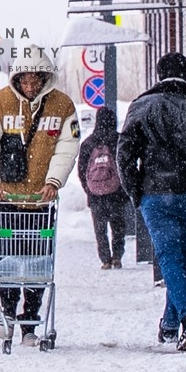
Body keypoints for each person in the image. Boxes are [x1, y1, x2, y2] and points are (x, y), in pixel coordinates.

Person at [118, 50, 186, 350]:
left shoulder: (142, 106)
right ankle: (169, 325)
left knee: (168, 257)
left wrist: (135, 191)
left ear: (158, 73)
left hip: (154, 193)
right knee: (180, 257)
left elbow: (124, 153)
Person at [0, 42, 78, 340]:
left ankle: (30, 319)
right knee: (9, 258)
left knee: (37, 262)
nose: (30, 86)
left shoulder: (62, 106)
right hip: (7, 197)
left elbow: (67, 148)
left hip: (41, 201)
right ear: (16, 79)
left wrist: (53, 182)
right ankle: (7, 312)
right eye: (25, 80)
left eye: (36, 80)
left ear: (45, 79)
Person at [75, 106, 131, 269]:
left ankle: (105, 259)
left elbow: (82, 170)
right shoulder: (119, 141)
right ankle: (117, 257)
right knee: (118, 227)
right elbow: (127, 165)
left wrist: (89, 188)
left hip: (96, 195)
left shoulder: (88, 143)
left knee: (100, 230)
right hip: (117, 194)